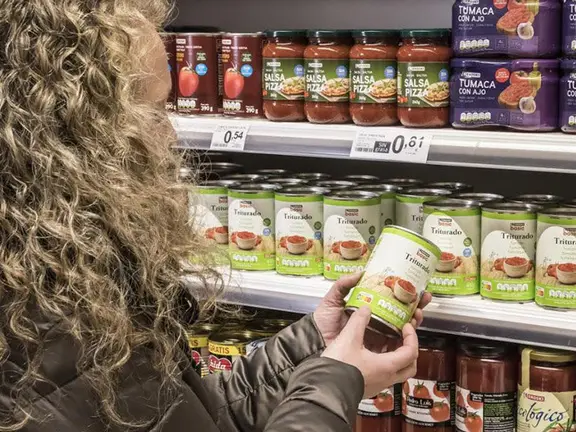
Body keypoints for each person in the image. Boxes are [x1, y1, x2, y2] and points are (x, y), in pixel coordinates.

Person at [0, 0, 428, 430]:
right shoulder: (41, 323)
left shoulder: (68, 274)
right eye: (151, 112)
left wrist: (314, 343)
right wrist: (334, 383)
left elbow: (183, 417)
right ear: (70, 135)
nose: (169, 135)